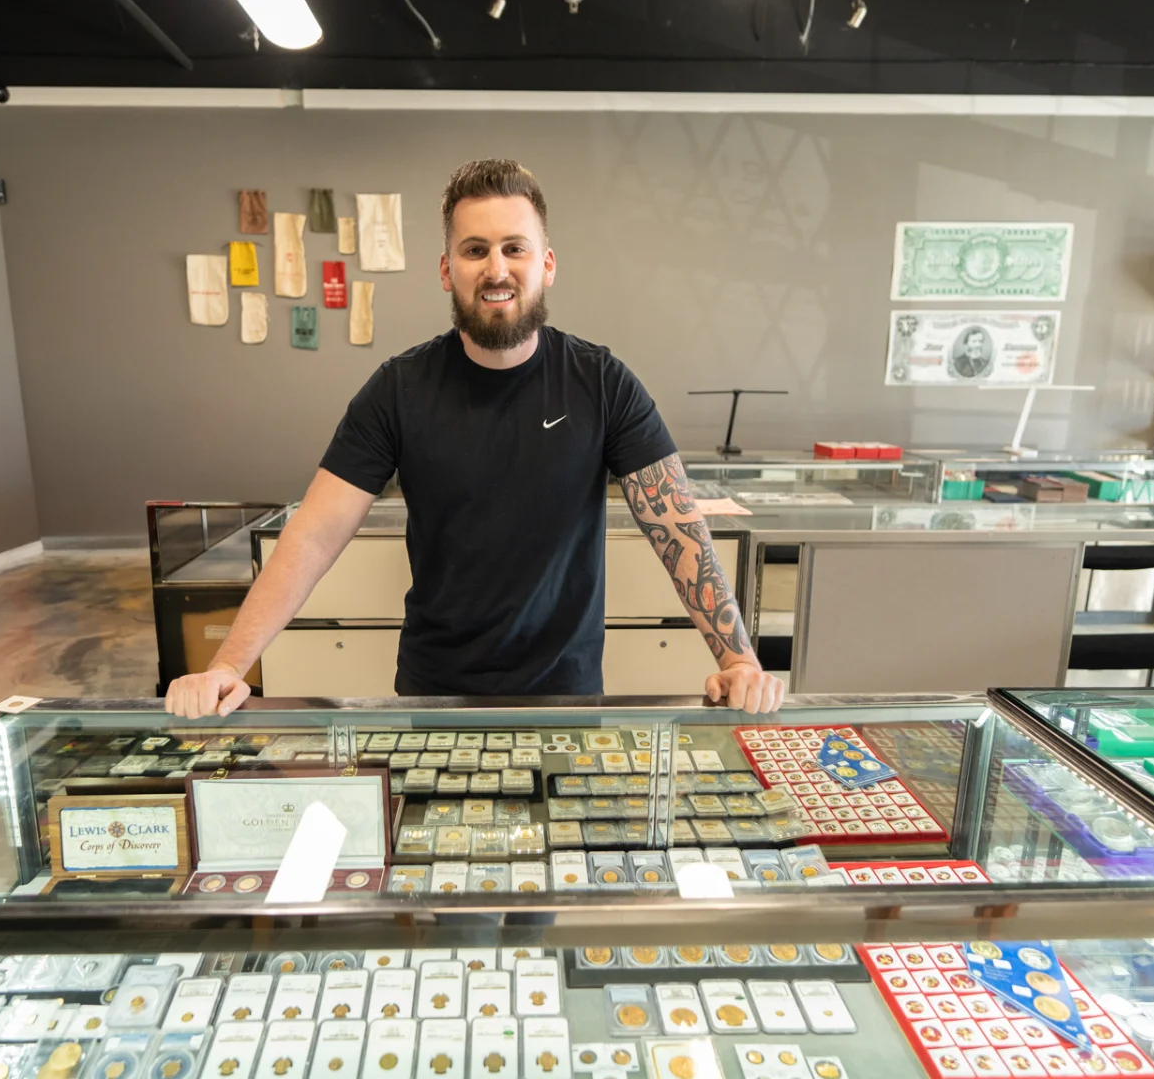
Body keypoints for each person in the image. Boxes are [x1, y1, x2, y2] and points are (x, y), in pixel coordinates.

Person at [165, 159, 785, 718]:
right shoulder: (398, 390)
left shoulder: (601, 383)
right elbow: (313, 535)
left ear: (546, 263)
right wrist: (228, 665)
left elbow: (678, 526)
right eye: (474, 249)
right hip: (436, 697)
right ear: (446, 269)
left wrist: (737, 660)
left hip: (567, 696)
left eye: (515, 248)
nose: (496, 269)